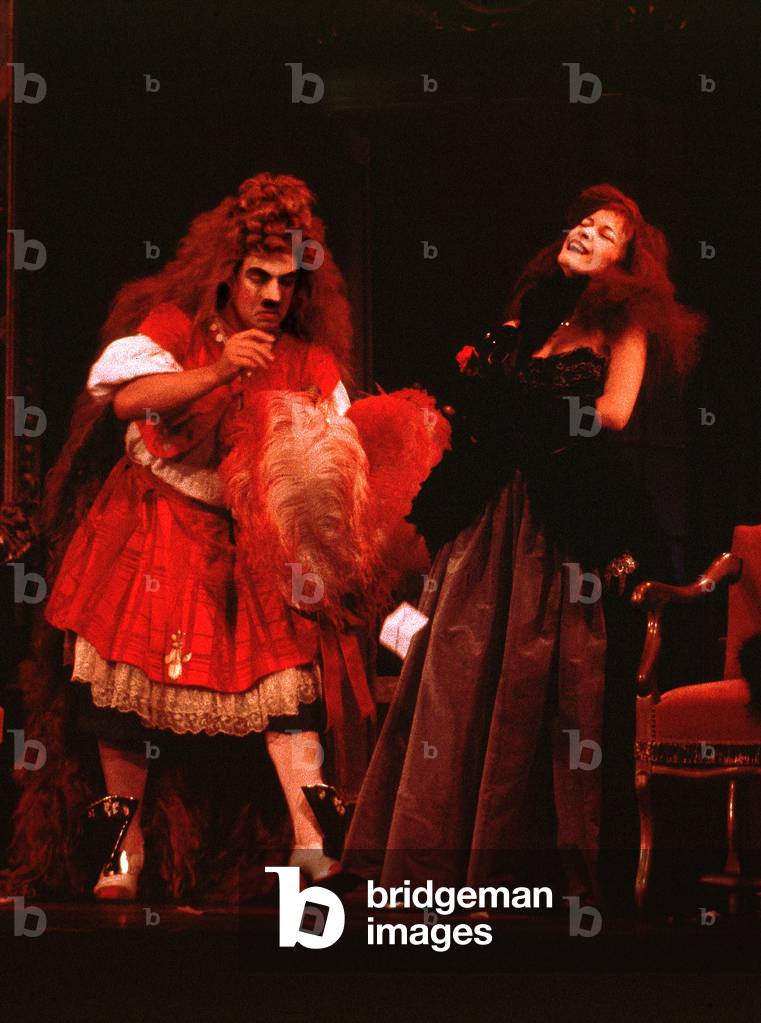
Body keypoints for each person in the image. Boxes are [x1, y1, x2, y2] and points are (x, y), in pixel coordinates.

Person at [7, 173, 374, 900]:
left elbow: (335, 462)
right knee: (118, 697)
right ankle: (123, 851)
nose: (272, 295)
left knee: (289, 694)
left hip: (249, 543)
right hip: (152, 521)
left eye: (286, 281)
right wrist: (217, 368)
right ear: (228, 274)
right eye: (257, 277)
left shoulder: (311, 361)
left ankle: (313, 848)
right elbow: (128, 400)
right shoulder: (177, 326)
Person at [342, 184, 704, 901]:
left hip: (560, 516)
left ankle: (530, 865)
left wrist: (528, 412)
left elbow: (613, 412)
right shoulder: (531, 316)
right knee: (453, 668)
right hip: (490, 513)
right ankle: (427, 856)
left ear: (625, 264)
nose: (583, 231)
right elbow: (482, 402)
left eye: (605, 233)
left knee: (546, 678)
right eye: (581, 221)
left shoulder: (622, 323)